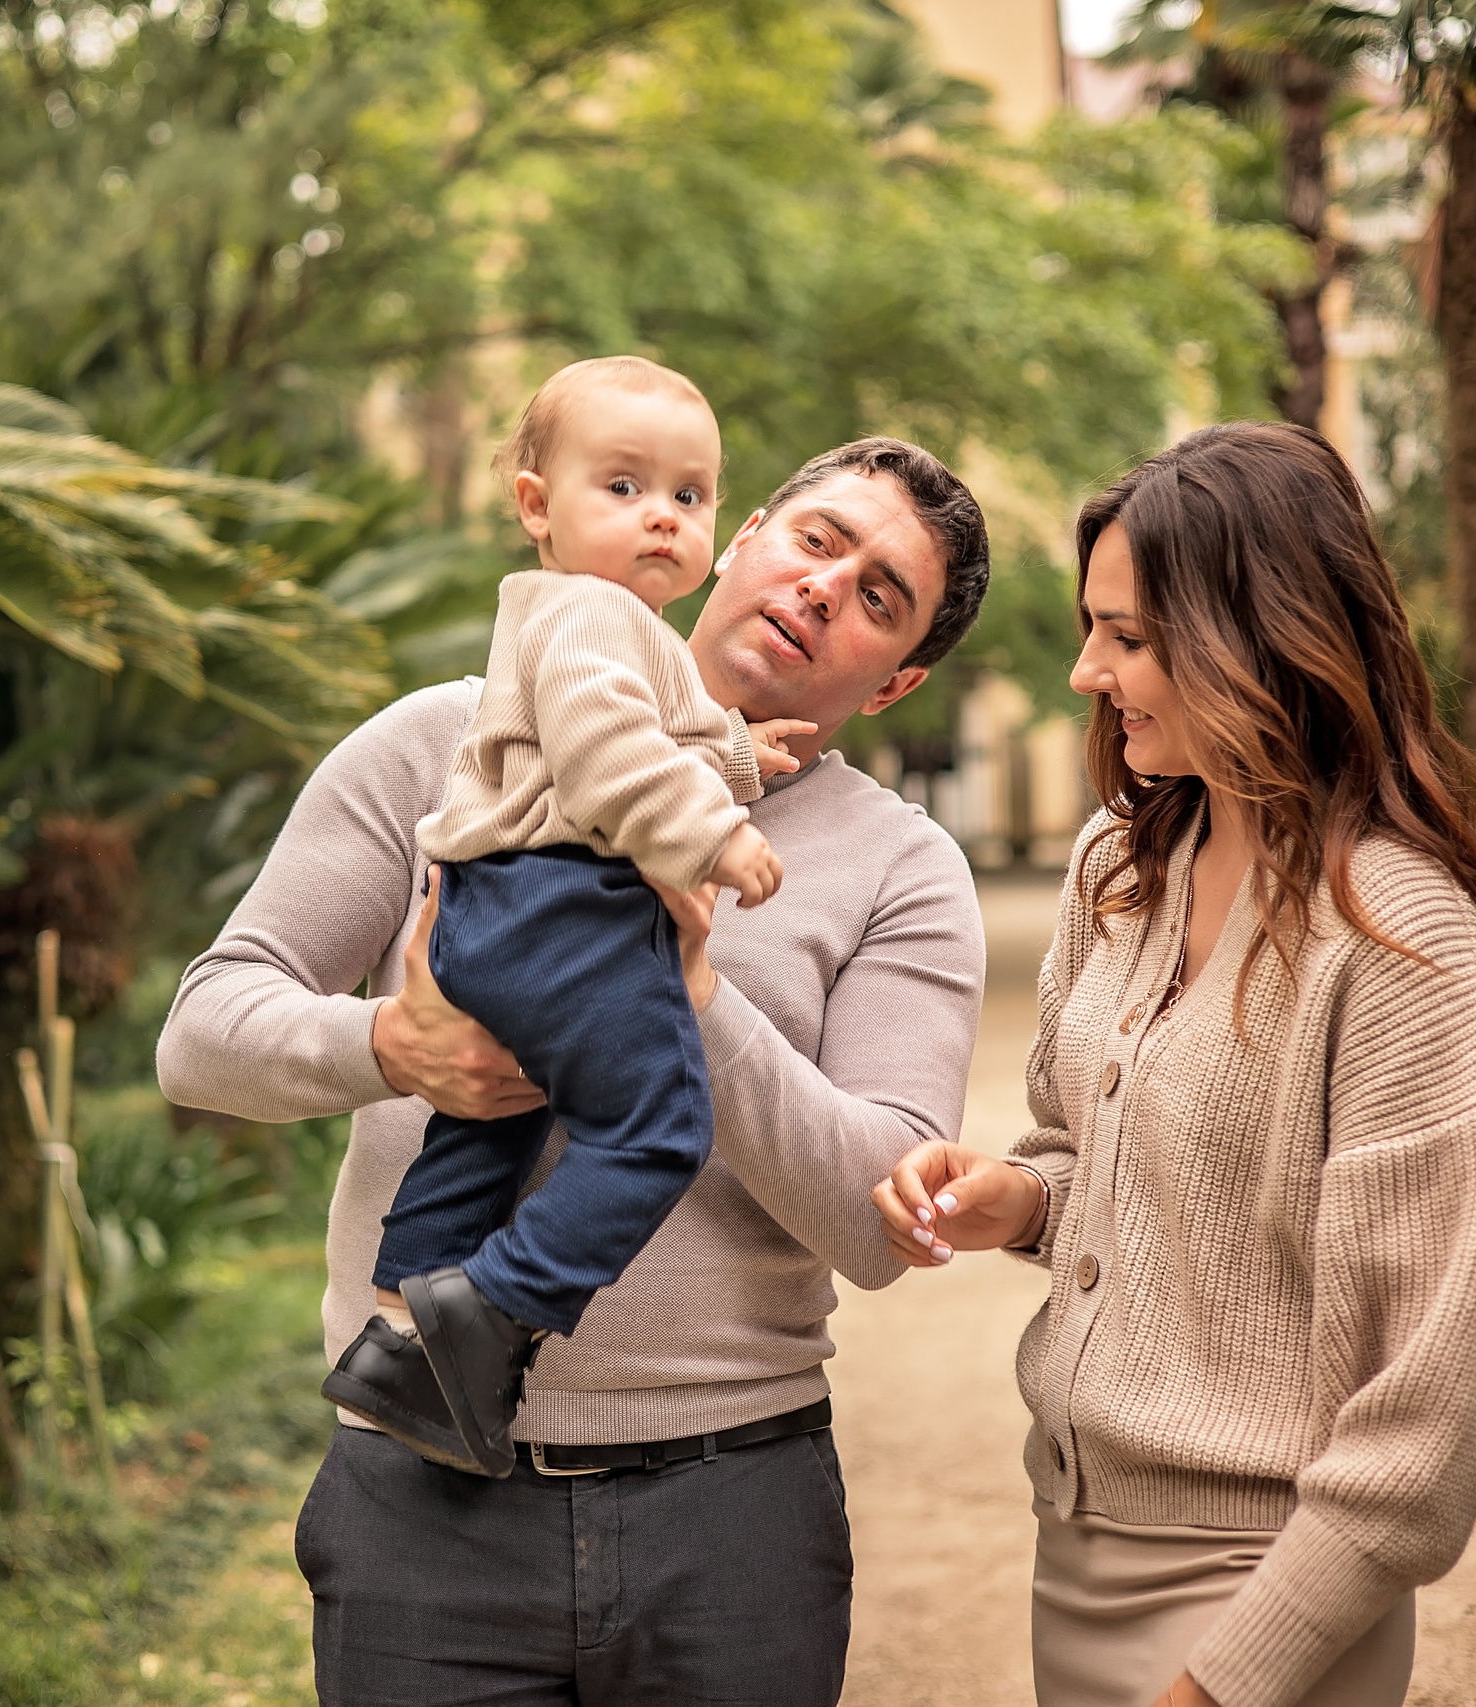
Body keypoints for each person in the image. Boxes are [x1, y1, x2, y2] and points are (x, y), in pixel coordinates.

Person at [158, 435, 991, 1704]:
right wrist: (390, 1046)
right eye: (817, 541)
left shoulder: (903, 870)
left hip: (734, 1517)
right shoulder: (449, 741)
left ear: (898, 682)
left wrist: (694, 995)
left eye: (880, 597)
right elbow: (203, 1033)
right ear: (746, 537)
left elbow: (882, 1219)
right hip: (422, 1503)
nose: (826, 588)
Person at [875, 421, 1476, 1707]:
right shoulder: (1119, 868)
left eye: (1127, 637)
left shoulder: (1411, 953)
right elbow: (1097, 1163)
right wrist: (1018, 1198)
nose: (1086, 671)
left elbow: (1433, 1412)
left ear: (1259, 639)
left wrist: (1219, 1685)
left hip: (1267, 1599)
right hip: (1075, 1546)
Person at [331, 356, 801, 1478]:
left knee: (488, 1127)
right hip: (566, 905)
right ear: (537, 506)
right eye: (623, 487)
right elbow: (607, 756)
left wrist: (736, 752)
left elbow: (625, 728)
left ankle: (397, 1339)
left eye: (688, 494)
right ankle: (492, 1310)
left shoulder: (572, 622)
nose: (661, 516)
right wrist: (715, 833)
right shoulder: (596, 614)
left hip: (490, 910)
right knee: (655, 1127)